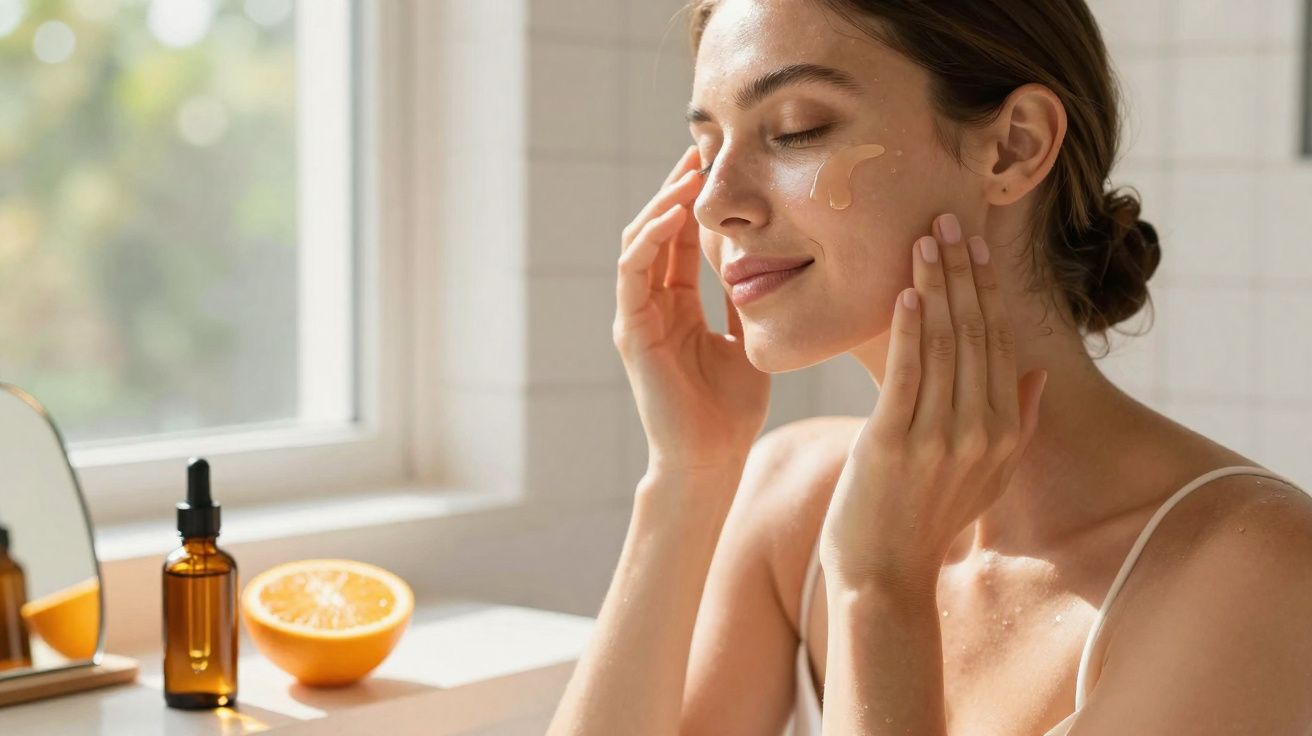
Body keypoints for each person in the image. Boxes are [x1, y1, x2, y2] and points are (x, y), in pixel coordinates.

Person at [547, 1, 1312, 734]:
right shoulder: (791, 501)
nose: (714, 204)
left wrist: (879, 587)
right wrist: (688, 474)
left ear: (1013, 146)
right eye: (708, 147)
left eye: (796, 129)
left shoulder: (1261, 574)